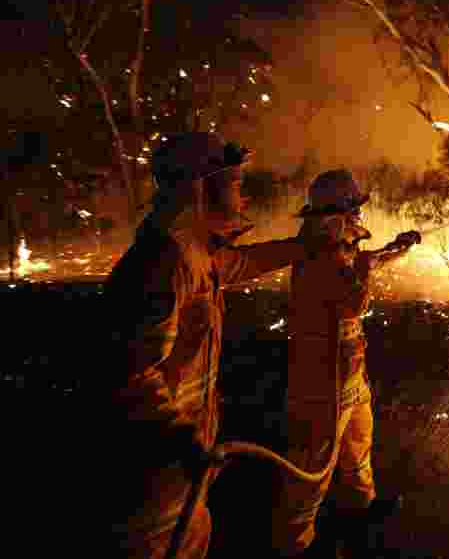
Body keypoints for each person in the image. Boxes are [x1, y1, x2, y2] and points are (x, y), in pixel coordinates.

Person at [98, 132, 329, 559]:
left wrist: (307, 245)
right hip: (152, 474)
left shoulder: (195, 253)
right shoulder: (163, 263)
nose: (243, 194)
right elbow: (130, 376)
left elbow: (242, 263)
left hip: (182, 472)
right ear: (200, 187)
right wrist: (183, 437)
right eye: (235, 183)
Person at [271, 169, 420, 558]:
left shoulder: (337, 248)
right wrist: (370, 268)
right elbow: (354, 301)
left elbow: (361, 262)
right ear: (336, 214)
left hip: (346, 373)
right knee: (313, 462)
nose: (358, 216)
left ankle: (360, 513)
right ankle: (296, 542)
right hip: (322, 379)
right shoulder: (321, 254)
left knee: (357, 447)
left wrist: (397, 249)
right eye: (353, 208)